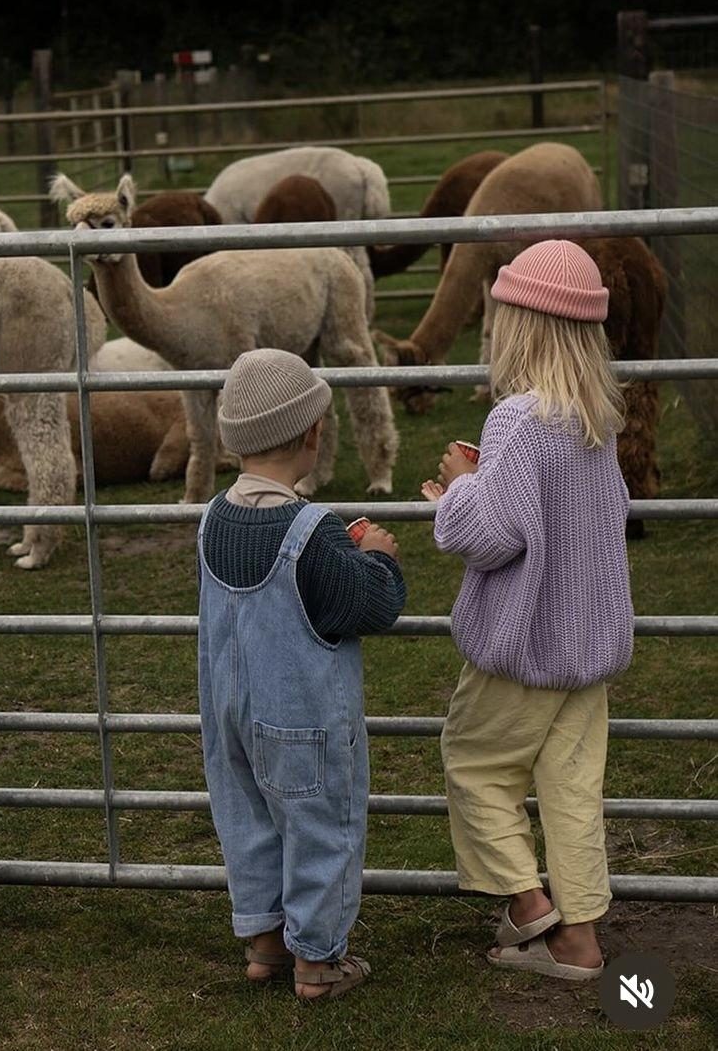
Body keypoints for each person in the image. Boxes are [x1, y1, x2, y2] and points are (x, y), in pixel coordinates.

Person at [422, 240, 633, 982]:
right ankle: (579, 939)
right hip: (584, 651)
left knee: (475, 765)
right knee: (572, 789)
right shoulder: (595, 419)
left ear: (519, 323)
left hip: (524, 648)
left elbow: (492, 534)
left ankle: (524, 899)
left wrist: (454, 489)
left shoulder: (515, 420)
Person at [197, 348, 406, 1001]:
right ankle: (317, 959)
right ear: (312, 432)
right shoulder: (311, 530)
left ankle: (264, 941)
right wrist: (374, 559)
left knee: (249, 819)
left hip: (229, 712)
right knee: (319, 828)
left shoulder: (214, 517)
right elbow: (366, 607)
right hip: (302, 721)